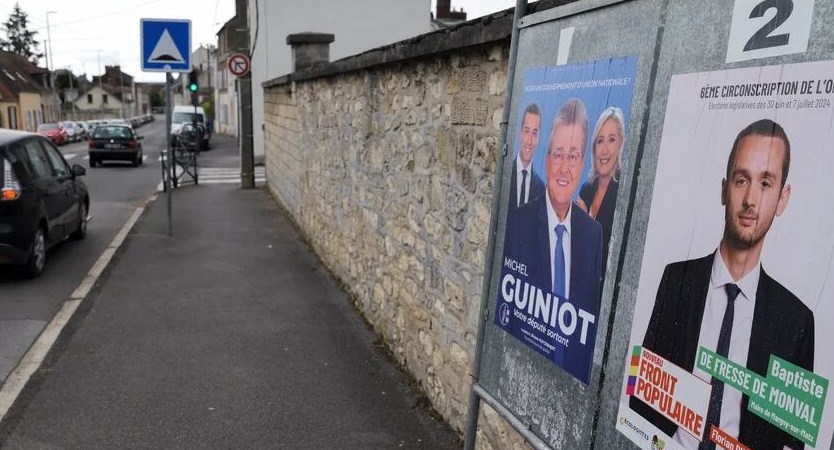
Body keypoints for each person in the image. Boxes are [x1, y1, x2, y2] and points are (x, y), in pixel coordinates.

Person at [629, 119, 815, 450]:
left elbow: (792, 440)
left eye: (766, 183)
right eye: (742, 180)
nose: (751, 200)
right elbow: (641, 394)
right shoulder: (676, 281)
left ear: (782, 199)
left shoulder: (796, 321)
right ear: (724, 189)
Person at [504, 98, 603, 376]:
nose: (564, 168)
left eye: (573, 156)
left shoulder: (593, 235)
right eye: (559, 154)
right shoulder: (519, 223)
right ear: (547, 159)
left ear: (582, 164)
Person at [578, 107, 625, 273]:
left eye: (611, 140)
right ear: (594, 147)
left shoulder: (623, 194)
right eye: (600, 141)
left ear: (620, 144)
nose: (604, 150)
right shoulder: (586, 191)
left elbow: (614, 259)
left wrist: (586, 226)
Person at [509, 103, 546, 209]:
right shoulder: (506, 174)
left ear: (538, 137)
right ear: (521, 132)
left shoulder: (541, 188)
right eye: (527, 131)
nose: (529, 141)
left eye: (534, 133)